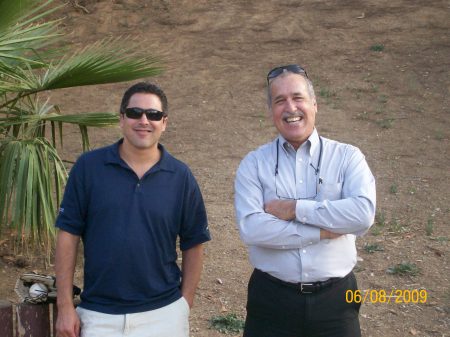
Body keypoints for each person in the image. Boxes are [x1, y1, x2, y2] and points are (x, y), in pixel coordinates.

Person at [55, 82, 211, 337]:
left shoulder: (180, 176)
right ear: (122, 119)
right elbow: (67, 235)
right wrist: (64, 305)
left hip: (164, 315)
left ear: (164, 122)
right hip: (98, 316)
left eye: (153, 114)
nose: (144, 120)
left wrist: (184, 304)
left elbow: (194, 242)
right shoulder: (89, 168)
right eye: (135, 112)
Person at [234, 64, 376, 337]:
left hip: (337, 299)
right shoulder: (253, 164)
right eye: (280, 101)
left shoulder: (348, 157)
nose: (290, 108)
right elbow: (252, 229)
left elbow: (362, 214)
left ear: (314, 103)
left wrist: (294, 208)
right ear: (271, 111)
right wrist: (324, 229)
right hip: (271, 300)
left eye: (298, 97)